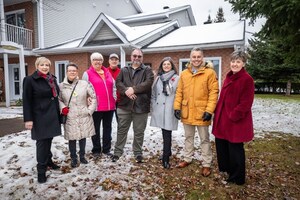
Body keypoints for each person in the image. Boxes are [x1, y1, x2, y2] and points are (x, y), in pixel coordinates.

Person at [173, 47, 219, 177]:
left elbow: (214, 93)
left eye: (199, 57)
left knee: (204, 139)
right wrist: (177, 107)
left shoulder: (209, 73)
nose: (196, 59)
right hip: (187, 111)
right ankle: (187, 158)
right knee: (188, 137)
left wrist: (209, 110)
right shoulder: (184, 74)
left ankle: (206, 163)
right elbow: (179, 92)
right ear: (190, 58)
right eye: (194, 57)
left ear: (202, 58)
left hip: (202, 112)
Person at [212, 50, 254, 185]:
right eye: (233, 61)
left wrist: (233, 115)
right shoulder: (228, 77)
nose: (235, 64)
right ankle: (227, 171)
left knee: (235, 149)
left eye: (238, 61)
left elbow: (246, 103)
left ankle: (237, 177)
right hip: (222, 119)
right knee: (222, 146)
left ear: (243, 63)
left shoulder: (247, 79)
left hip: (235, 121)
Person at [23, 57, 62, 183]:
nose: (45, 67)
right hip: (39, 116)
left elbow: (57, 96)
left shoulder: (52, 79)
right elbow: (27, 101)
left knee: (48, 139)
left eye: (47, 65)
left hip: (52, 115)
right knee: (41, 143)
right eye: (42, 65)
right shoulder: (29, 80)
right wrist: (28, 119)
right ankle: (41, 169)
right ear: (37, 66)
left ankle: (48, 161)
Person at [111, 48, 154, 163]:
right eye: (135, 56)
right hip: (124, 106)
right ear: (131, 57)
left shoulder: (147, 70)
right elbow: (118, 83)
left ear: (142, 57)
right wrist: (126, 91)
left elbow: (148, 83)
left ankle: (138, 152)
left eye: (139, 56)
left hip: (141, 106)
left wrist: (133, 89)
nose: (137, 58)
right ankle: (117, 152)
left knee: (139, 131)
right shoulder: (124, 70)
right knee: (121, 130)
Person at [59, 63, 97, 168]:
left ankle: (82, 156)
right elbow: (59, 99)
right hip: (70, 115)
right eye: (70, 70)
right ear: (66, 72)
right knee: (72, 138)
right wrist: (62, 108)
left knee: (82, 136)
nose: (72, 72)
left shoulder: (84, 84)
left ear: (77, 72)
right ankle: (74, 158)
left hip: (83, 114)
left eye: (74, 71)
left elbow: (93, 97)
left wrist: (89, 110)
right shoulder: (61, 86)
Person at [82, 52, 117, 157]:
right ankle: (96, 149)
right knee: (95, 128)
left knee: (108, 128)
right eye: (95, 59)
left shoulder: (107, 72)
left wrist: (114, 98)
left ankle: (106, 149)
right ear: (91, 61)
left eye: (99, 59)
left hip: (109, 106)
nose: (97, 61)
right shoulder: (87, 73)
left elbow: (114, 87)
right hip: (96, 107)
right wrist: (87, 99)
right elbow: (84, 88)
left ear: (102, 61)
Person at [150, 57, 180, 169]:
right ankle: (168, 152)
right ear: (161, 66)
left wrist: (177, 108)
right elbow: (153, 93)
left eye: (168, 64)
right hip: (159, 109)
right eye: (164, 64)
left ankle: (166, 157)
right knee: (164, 132)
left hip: (170, 109)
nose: (166, 66)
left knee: (167, 133)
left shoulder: (177, 78)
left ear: (172, 66)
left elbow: (179, 94)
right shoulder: (158, 79)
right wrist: (154, 105)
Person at [107, 53, 121, 121]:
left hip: (119, 101)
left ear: (118, 61)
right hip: (108, 100)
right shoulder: (105, 72)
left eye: (116, 59)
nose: (114, 61)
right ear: (109, 61)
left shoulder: (122, 72)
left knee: (120, 122)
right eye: (112, 59)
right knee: (107, 122)